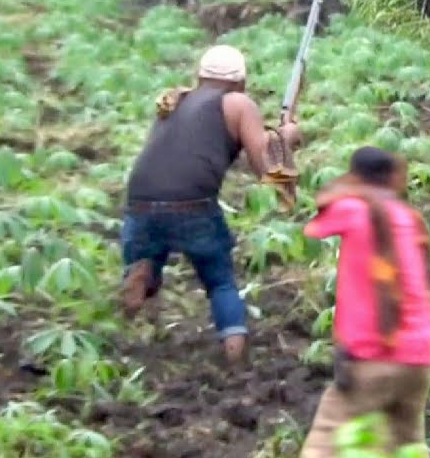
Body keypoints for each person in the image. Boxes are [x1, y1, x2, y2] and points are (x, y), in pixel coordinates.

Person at [120, 44, 303, 363]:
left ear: (200, 76)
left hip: (140, 199)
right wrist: (286, 138)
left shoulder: (176, 100)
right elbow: (266, 168)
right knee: (219, 281)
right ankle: (234, 350)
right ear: (241, 82)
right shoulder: (237, 103)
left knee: (150, 251)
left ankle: (144, 275)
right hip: (192, 203)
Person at [299, 147, 430, 458]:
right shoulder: (408, 216)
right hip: (420, 353)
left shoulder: (353, 208)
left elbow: (315, 221)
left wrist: (348, 185)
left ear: (357, 177)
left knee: (325, 442)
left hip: (374, 353)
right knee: (406, 446)